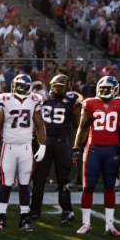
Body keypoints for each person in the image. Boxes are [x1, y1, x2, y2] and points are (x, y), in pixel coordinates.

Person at [0, 74, 45, 232]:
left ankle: (25, 217)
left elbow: (40, 125)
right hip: (9, 146)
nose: (21, 89)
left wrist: (43, 145)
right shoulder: (4, 99)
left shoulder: (34, 99)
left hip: (26, 146)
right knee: (6, 183)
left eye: (23, 87)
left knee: (24, 184)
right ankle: (2, 216)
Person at [73, 75, 120, 236]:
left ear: (115, 91)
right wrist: (76, 147)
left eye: (107, 89)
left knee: (109, 187)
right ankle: (86, 223)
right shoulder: (90, 103)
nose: (104, 92)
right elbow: (82, 127)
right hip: (93, 149)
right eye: (102, 89)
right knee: (88, 187)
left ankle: (110, 225)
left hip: (112, 150)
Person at [34, 74, 81, 224]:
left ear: (67, 87)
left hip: (59, 142)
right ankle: (36, 210)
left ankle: (66, 211)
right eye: (55, 86)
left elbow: (76, 120)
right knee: (41, 178)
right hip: (49, 142)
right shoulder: (45, 99)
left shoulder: (69, 99)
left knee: (61, 179)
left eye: (60, 87)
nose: (56, 90)